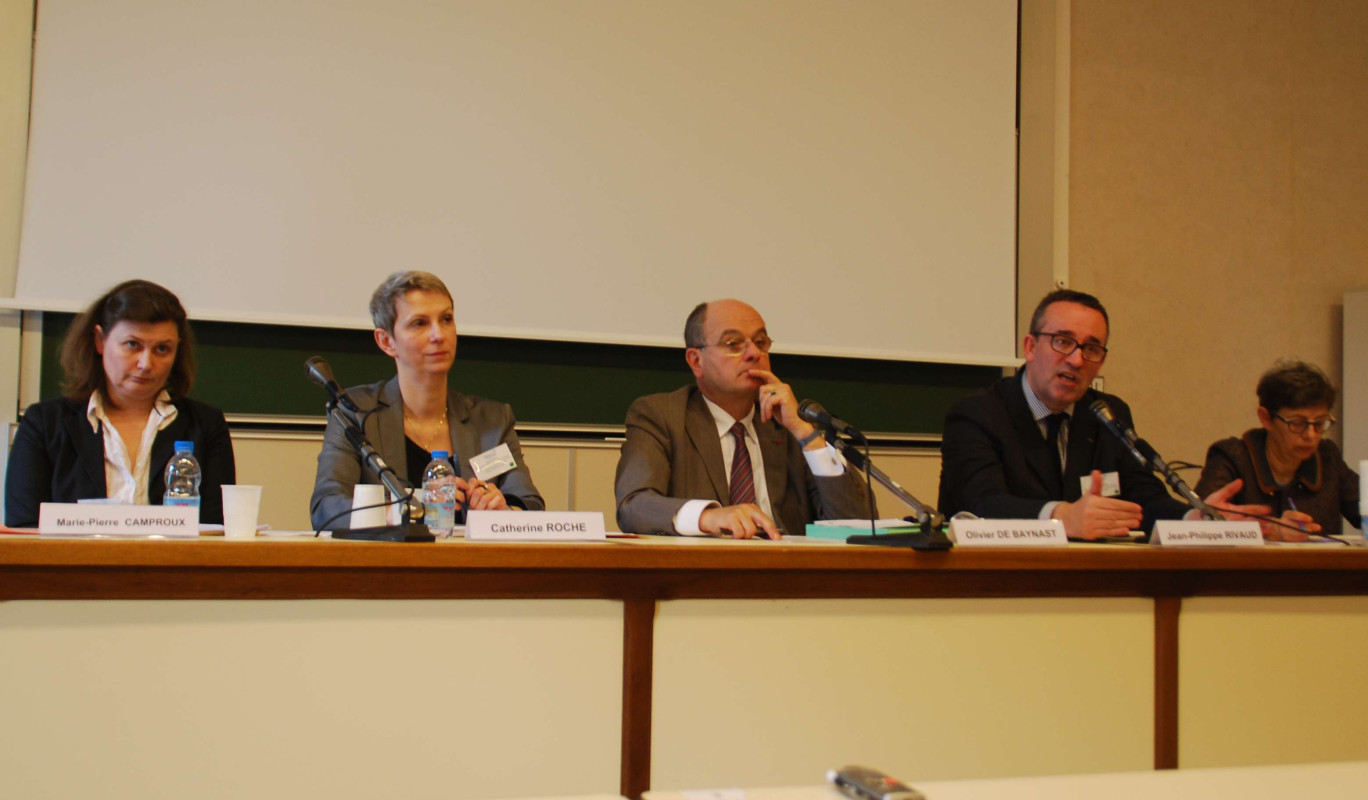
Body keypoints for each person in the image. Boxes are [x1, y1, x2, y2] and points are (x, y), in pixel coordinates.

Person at [938, 289, 1265, 539]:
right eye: (1063, 341)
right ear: (1030, 347)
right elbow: (980, 505)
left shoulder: (1107, 414)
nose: (1077, 360)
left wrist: (1190, 520)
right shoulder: (975, 415)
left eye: (1091, 349)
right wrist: (1063, 517)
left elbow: (1144, 497)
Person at [614, 299, 872, 538]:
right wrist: (708, 516)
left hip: (789, 578)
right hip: (698, 579)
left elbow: (856, 526)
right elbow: (634, 506)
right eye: (733, 344)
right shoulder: (661, 416)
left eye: (761, 342)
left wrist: (807, 435)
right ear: (696, 361)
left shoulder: (789, 423)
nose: (753, 354)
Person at [309, 271, 543, 530]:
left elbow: (529, 505)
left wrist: (505, 511)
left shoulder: (492, 420)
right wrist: (410, 507)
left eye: (446, 319)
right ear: (386, 341)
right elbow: (326, 509)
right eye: (419, 323)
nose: (439, 335)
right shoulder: (356, 413)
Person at [5, 280, 236, 527]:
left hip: (173, 565)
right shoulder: (44, 423)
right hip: (74, 565)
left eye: (162, 349)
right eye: (132, 345)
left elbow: (217, 530)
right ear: (100, 341)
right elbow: (24, 528)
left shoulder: (205, 425)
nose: (146, 363)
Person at [1195, 360, 1360, 540]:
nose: (1311, 435)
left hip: (1317, 568)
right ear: (1266, 418)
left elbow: (1362, 508)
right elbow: (1195, 528)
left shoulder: (1327, 457)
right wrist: (1269, 531)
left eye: (1319, 423)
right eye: (1298, 423)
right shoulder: (1231, 457)